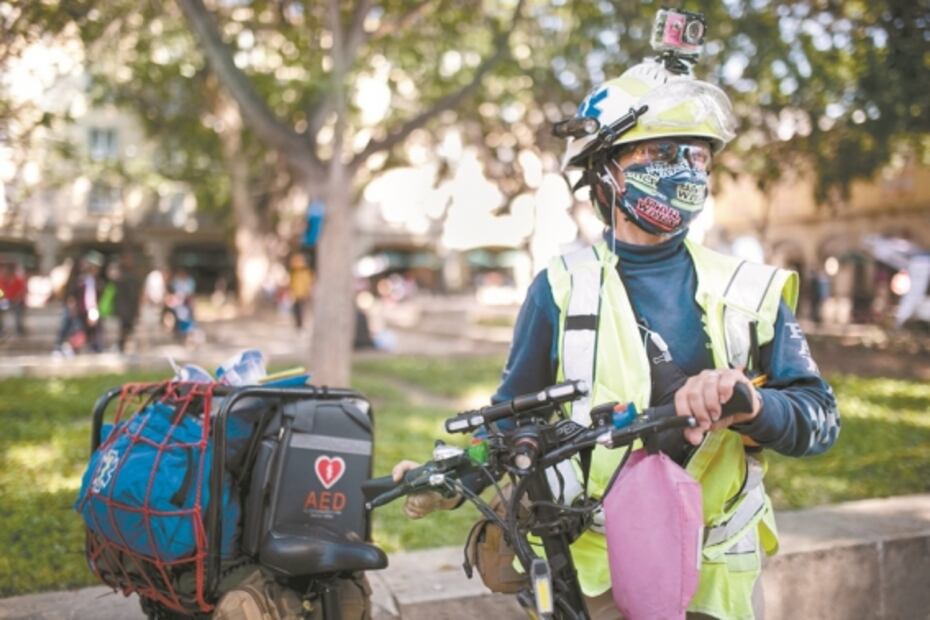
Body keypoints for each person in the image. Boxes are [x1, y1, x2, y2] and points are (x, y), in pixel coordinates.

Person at [392, 29, 840, 620]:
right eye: (659, 153)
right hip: (597, 570)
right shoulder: (559, 287)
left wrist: (753, 408)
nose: (683, 169)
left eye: (696, 154)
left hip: (716, 576)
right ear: (606, 171)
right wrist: (447, 473)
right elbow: (512, 421)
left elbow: (821, 419)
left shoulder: (747, 290)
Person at [0, 262, 27, 336]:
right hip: (4, 301)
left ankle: (19, 329)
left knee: (18, 310)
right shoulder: (1, 280)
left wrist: (17, 298)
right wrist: (2, 297)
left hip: (16, 301)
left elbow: (22, 290)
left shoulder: (18, 280)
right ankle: (1, 329)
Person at [287, 253, 313, 331]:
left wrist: (307, 293)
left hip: (303, 294)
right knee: (296, 310)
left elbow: (308, 283)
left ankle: (301, 325)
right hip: (295, 295)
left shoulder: (305, 272)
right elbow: (292, 284)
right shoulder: (294, 273)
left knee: (302, 310)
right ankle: (298, 325)